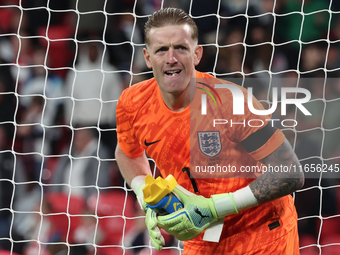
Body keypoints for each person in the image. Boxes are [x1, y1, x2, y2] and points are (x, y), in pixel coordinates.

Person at [115, 7, 304, 255]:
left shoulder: (232, 102)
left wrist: (216, 207)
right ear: (148, 57)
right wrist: (144, 191)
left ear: (197, 54)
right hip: (203, 239)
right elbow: (127, 152)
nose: (171, 58)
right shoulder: (133, 103)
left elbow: (290, 173)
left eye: (180, 48)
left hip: (263, 233)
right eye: (161, 50)